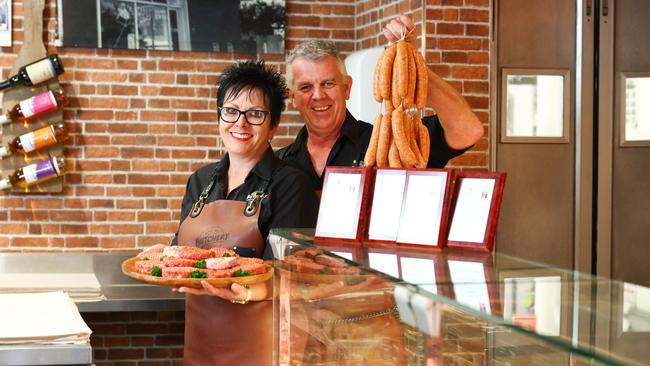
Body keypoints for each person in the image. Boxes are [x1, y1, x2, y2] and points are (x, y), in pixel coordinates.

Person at [171, 60, 319, 366]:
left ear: (273, 125)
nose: (240, 123)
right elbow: (181, 252)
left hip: (262, 347)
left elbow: (291, 277)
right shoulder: (200, 181)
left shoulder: (291, 184)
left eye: (255, 114)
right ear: (219, 117)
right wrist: (163, 256)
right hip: (201, 343)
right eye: (231, 111)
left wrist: (243, 292)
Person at [277, 14, 484, 191]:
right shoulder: (277, 164)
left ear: (347, 88)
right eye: (306, 87)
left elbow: (468, 131)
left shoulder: (390, 141)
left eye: (328, 83)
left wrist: (410, 64)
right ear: (292, 96)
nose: (318, 95)